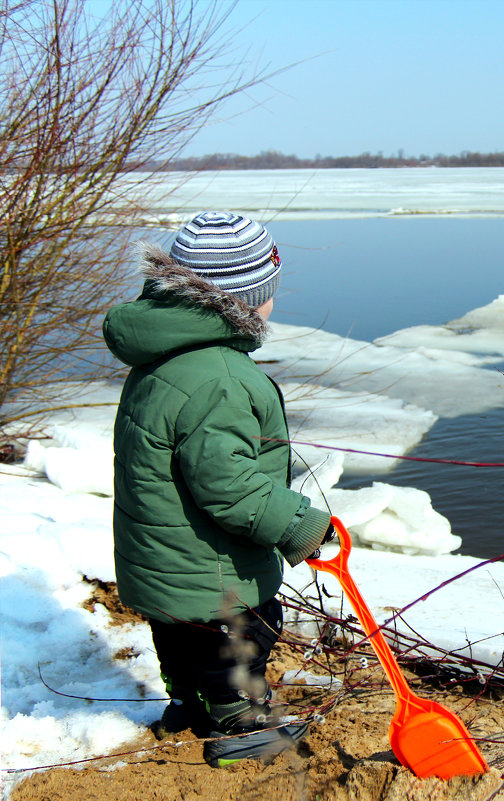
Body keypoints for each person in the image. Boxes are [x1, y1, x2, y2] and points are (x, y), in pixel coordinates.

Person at [103, 211, 334, 767]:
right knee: (242, 637)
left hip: (163, 559)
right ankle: (239, 726)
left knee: (181, 639)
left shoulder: (165, 357)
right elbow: (228, 485)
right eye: (268, 293)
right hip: (209, 567)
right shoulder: (221, 378)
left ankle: (186, 705)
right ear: (245, 301)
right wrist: (298, 523)